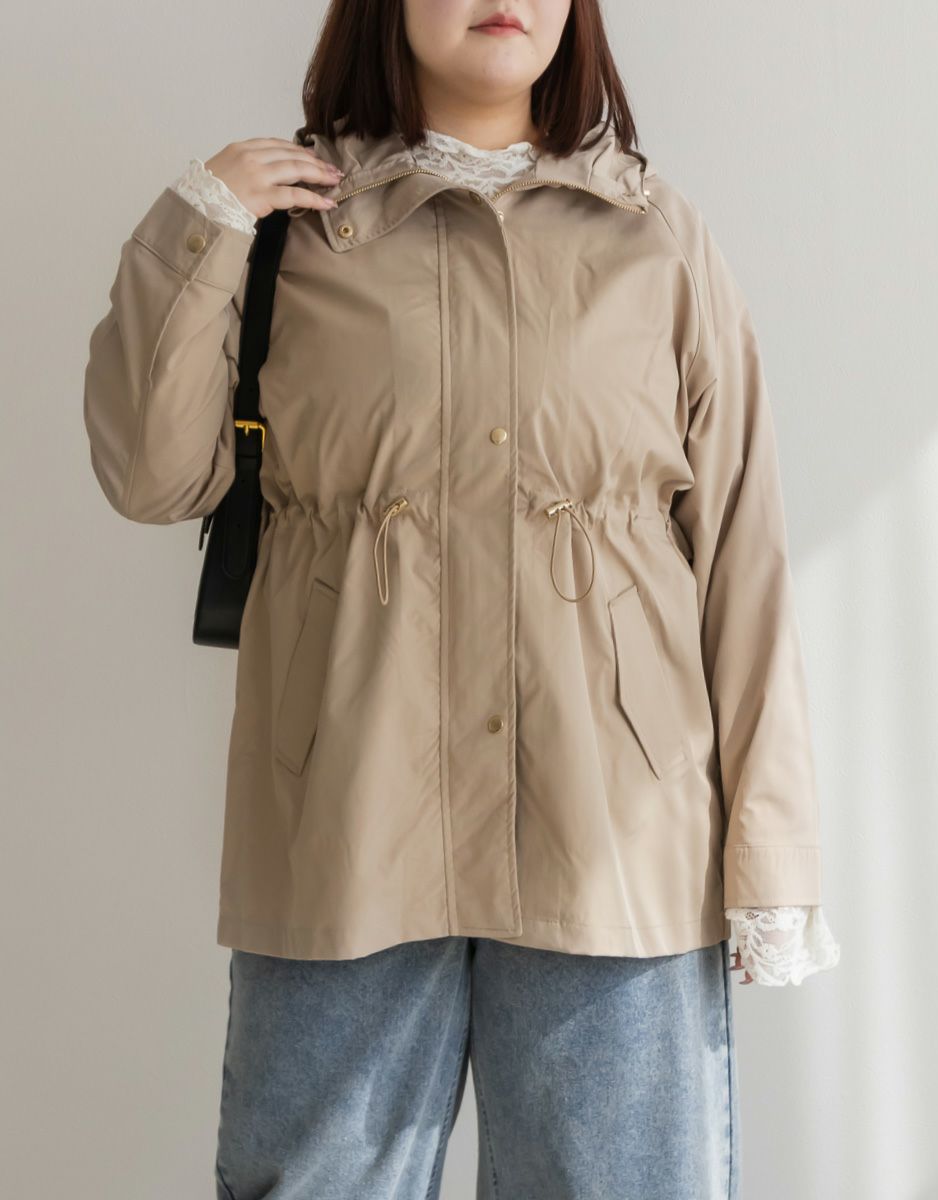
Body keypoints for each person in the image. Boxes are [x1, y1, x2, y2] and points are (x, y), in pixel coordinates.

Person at [82, 2, 840, 1196]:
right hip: (346, 821)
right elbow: (152, 476)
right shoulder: (287, 231)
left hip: (615, 836)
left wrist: (771, 862)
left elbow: (743, 557)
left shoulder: (656, 237)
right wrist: (202, 221)